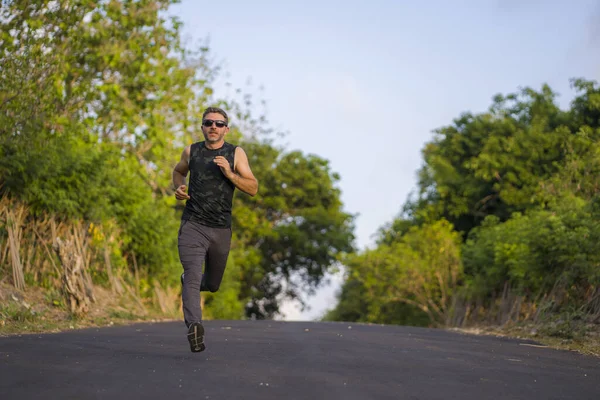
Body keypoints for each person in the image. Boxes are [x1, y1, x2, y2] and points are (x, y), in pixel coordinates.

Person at [172, 106, 258, 353]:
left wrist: (230, 174)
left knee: (212, 284)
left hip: (221, 228)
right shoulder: (192, 151)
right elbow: (178, 172)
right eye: (208, 122)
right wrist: (179, 187)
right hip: (193, 225)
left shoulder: (235, 153)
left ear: (226, 129)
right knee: (192, 273)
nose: (213, 127)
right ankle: (195, 327)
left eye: (219, 124)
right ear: (202, 126)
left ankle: (192, 281)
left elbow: (253, 188)